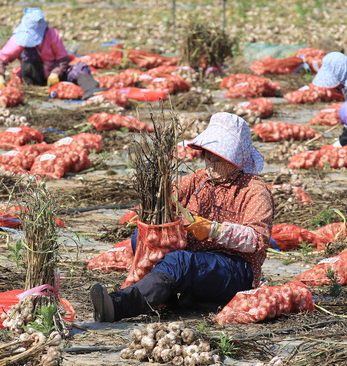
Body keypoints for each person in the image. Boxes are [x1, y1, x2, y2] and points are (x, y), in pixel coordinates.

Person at [90, 112, 274, 323]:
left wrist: (214, 230)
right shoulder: (198, 180)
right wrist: (151, 214)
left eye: (219, 155)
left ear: (236, 159)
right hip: (195, 258)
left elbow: (257, 240)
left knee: (178, 263)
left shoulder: (254, 190)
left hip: (235, 269)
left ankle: (118, 305)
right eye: (208, 153)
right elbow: (167, 196)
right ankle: (162, 295)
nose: (211, 160)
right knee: (141, 240)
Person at [0, 8, 99, 99]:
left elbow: (63, 58)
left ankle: (92, 90)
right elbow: (1, 58)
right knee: (28, 53)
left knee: (80, 68)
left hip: (54, 76)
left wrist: (55, 73)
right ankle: (31, 86)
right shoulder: (18, 39)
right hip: (33, 75)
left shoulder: (52, 35)